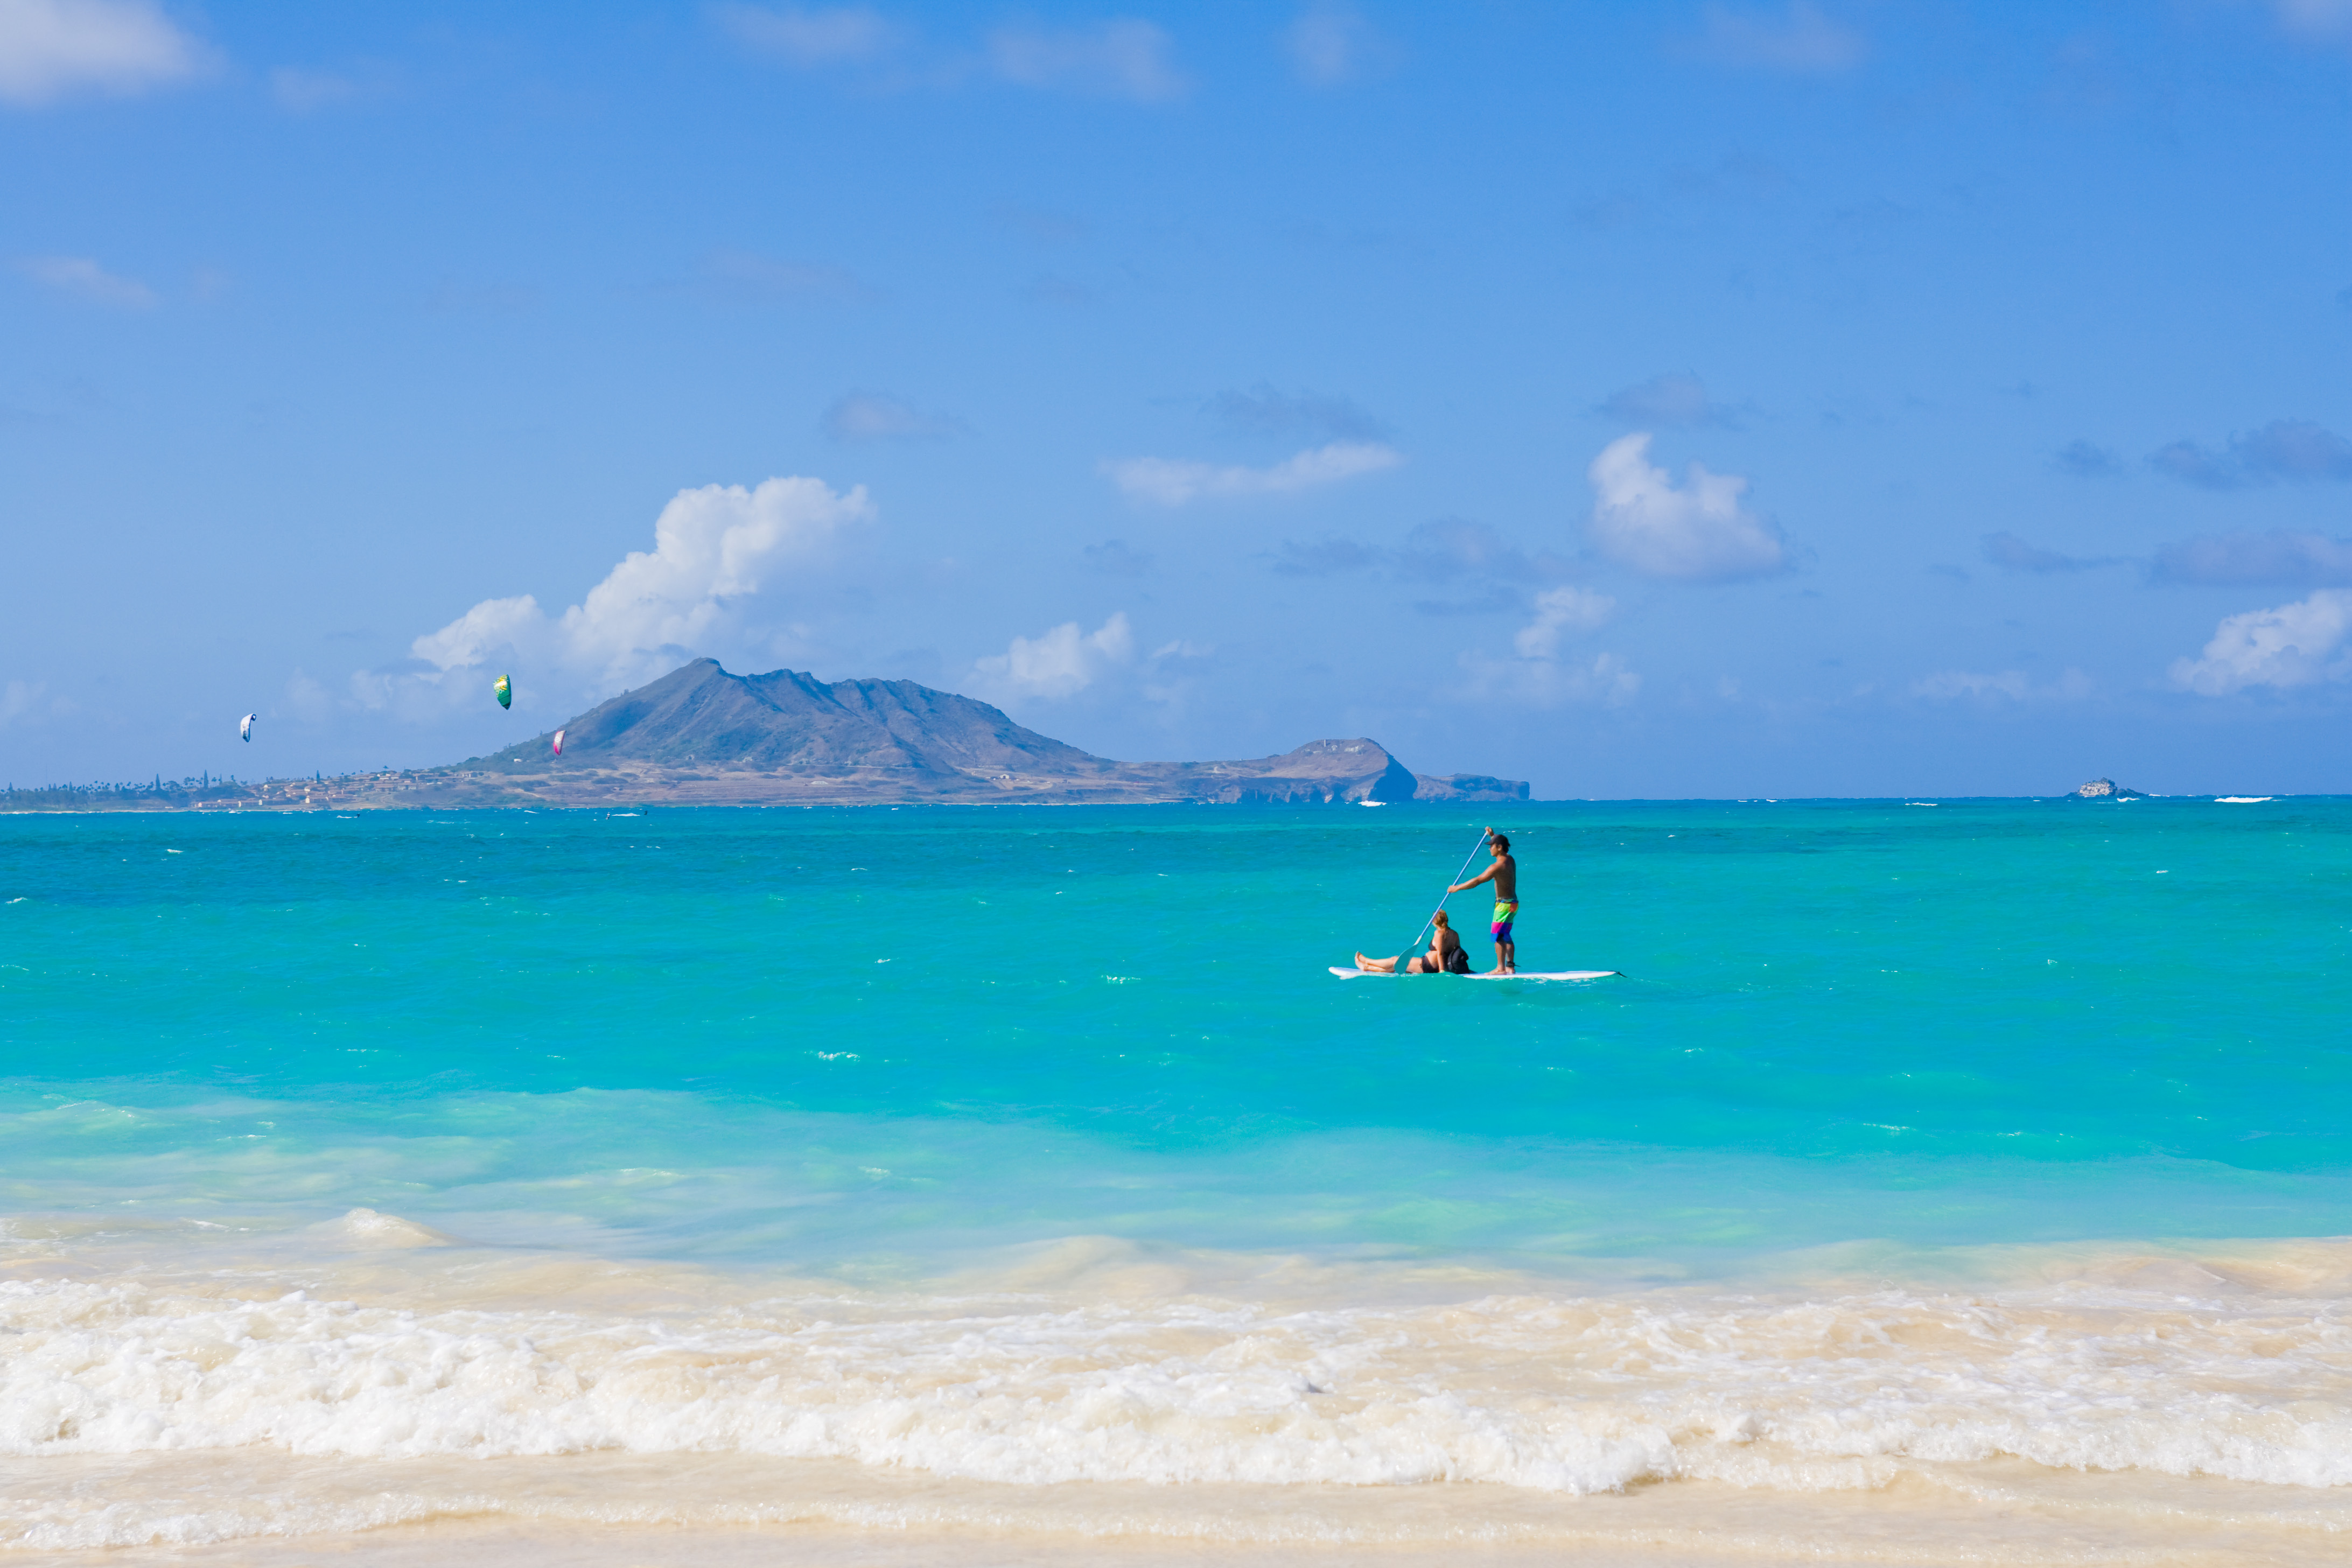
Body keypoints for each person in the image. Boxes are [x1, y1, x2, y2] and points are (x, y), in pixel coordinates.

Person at [1448, 830, 1517, 974]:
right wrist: (1492, 835)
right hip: (1513, 903)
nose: (1489, 848)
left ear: (1499, 847)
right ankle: (1510, 966)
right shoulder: (1510, 859)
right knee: (1506, 935)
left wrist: (1457, 888)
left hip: (1503, 905)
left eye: (1492, 846)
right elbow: (1500, 843)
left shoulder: (1496, 867)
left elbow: (1478, 881)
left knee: (1498, 936)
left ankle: (1500, 968)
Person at [1354, 910, 1470, 974]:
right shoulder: (1455, 934)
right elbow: (1458, 952)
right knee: (1396, 967)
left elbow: (1440, 953)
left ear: (1435, 922)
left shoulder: (1439, 934)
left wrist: (1441, 971)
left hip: (1427, 965)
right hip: (1433, 965)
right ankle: (1367, 967)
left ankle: (1366, 960)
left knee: (1395, 960)